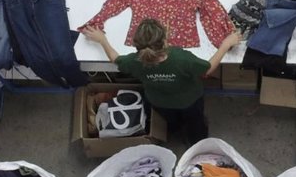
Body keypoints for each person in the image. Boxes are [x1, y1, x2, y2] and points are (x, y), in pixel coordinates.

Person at [82, 18, 243, 144]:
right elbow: (207, 69)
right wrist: (225, 44)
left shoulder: (135, 61)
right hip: (189, 100)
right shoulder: (181, 59)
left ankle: (173, 130)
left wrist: (102, 40)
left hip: (159, 102)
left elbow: (115, 59)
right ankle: (197, 140)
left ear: (135, 44)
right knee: (195, 122)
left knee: (170, 120)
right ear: (165, 40)